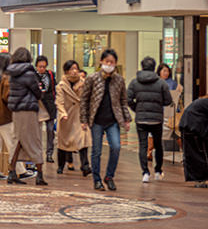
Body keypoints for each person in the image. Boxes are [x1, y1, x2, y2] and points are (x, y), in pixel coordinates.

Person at [80, 48, 132, 191]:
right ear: (101, 61)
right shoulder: (92, 78)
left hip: (112, 120)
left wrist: (126, 119)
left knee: (116, 147)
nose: (109, 64)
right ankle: (96, 179)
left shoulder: (119, 80)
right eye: (107, 61)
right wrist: (83, 119)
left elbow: (123, 101)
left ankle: (109, 176)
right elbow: (84, 100)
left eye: (112, 62)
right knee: (96, 151)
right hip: (96, 120)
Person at [127, 56, 173, 182]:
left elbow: (128, 99)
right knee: (158, 145)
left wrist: (137, 108)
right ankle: (158, 171)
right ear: (154, 67)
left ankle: (145, 173)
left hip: (141, 119)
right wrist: (158, 106)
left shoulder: (135, 82)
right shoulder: (161, 83)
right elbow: (168, 100)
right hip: (157, 119)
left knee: (143, 145)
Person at [6, 47, 47, 185]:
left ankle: (11, 172)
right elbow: (36, 91)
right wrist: (40, 92)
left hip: (16, 111)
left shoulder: (11, 73)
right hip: (29, 110)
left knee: (17, 140)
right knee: (34, 140)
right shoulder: (29, 73)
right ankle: (40, 175)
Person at [0, 52, 23, 180]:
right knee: (12, 144)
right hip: (5, 117)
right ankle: (20, 170)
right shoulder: (6, 79)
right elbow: (7, 98)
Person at [55, 60, 91, 177]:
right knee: (64, 143)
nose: (74, 71)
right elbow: (59, 102)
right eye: (71, 69)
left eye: (76, 68)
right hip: (66, 117)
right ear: (66, 71)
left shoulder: (84, 83)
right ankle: (61, 165)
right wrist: (63, 113)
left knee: (82, 140)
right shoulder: (61, 86)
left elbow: (87, 99)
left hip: (79, 116)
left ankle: (85, 166)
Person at [179, 97, 208, 187]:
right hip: (193, 126)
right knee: (198, 154)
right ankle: (202, 179)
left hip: (189, 125)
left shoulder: (203, 102)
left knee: (195, 154)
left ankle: (201, 179)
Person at [35, 55, 58, 163]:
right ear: (36, 66)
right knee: (37, 132)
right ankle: (37, 153)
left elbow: (55, 89)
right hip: (38, 105)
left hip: (50, 105)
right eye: (40, 66)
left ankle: (49, 153)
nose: (42, 69)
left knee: (50, 130)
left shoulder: (51, 75)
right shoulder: (33, 76)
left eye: (44, 66)